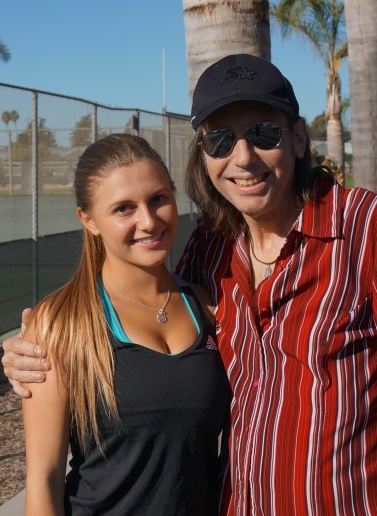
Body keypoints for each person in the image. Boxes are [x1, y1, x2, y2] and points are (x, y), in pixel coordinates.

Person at [4, 54, 377, 513]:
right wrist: (29, 352)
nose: (243, 157)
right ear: (205, 157)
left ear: (299, 138)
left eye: (263, 133)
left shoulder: (366, 229)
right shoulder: (211, 248)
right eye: (221, 141)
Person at [20, 134, 230, 515]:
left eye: (158, 199)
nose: (148, 221)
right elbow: (43, 478)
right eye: (123, 209)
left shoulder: (209, 306)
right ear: (89, 220)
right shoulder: (62, 324)